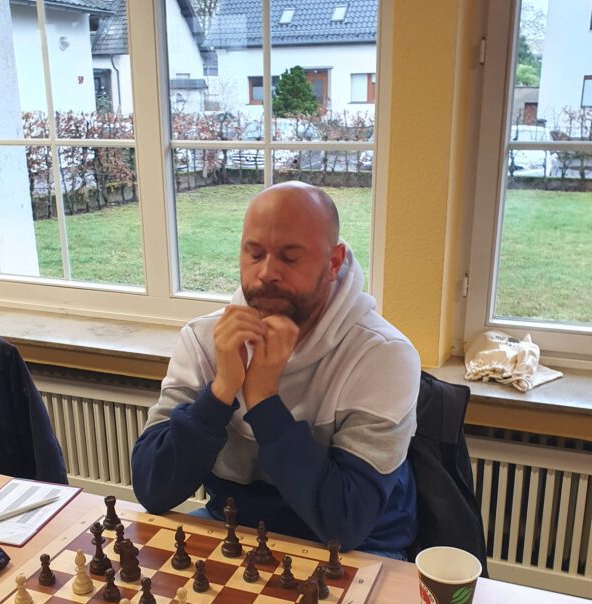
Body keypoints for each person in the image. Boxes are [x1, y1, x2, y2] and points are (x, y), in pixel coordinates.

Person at [131, 181, 420, 557]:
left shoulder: (383, 356)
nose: (267, 273)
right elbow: (152, 489)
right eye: (255, 254)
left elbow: (345, 523)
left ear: (333, 262)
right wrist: (221, 391)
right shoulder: (205, 339)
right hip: (237, 530)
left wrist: (264, 400)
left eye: (290, 258)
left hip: (361, 549)